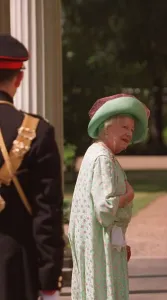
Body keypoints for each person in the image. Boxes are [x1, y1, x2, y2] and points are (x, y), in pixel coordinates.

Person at [0, 34, 64, 300]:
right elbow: (47, 215)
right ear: (19, 78)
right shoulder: (37, 132)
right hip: (16, 267)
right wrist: (49, 279)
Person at [68, 93, 150, 300]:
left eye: (131, 129)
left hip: (100, 243)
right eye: (124, 127)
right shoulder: (103, 158)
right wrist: (128, 197)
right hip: (101, 248)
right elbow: (104, 210)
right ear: (106, 126)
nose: (129, 134)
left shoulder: (94, 153)